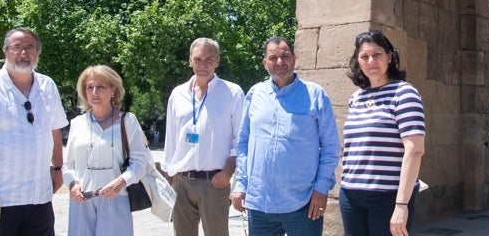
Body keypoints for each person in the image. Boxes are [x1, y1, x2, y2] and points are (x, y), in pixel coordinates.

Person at [0, 27, 68, 236]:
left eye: (29, 48)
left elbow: (55, 130)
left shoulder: (47, 86)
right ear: (5, 51)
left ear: (38, 53)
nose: (23, 53)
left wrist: (58, 169)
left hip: (39, 198)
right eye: (17, 48)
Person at [231, 36, 340, 236]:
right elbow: (243, 143)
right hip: (260, 203)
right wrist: (241, 183)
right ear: (265, 63)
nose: (280, 62)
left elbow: (331, 146)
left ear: (295, 58)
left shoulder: (315, 94)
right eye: (273, 57)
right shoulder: (255, 94)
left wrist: (322, 188)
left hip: (303, 202)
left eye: (285, 56)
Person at [339, 30, 426, 236]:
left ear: (389, 56)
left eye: (376, 54)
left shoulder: (404, 93)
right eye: (364, 56)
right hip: (351, 194)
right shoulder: (356, 98)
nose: (371, 61)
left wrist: (402, 204)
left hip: (387, 196)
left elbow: (414, 150)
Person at [162, 37, 245, 236]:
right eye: (198, 59)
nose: (203, 65)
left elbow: (241, 140)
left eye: (209, 59)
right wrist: (168, 178)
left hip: (214, 181)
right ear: (190, 60)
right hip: (182, 181)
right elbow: (171, 139)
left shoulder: (232, 93)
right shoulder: (178, 94)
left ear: (218, 61)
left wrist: (227, 174)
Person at [62, 65, 150, 236]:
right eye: (90, 87)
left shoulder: (128, 121)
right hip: (82, 202)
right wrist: (72, 184)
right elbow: (68, 165)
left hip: (116, 200)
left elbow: (140, 163)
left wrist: (121, 182)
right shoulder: (77, 124)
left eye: (100, 87)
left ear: (113, 90)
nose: (94, 92)